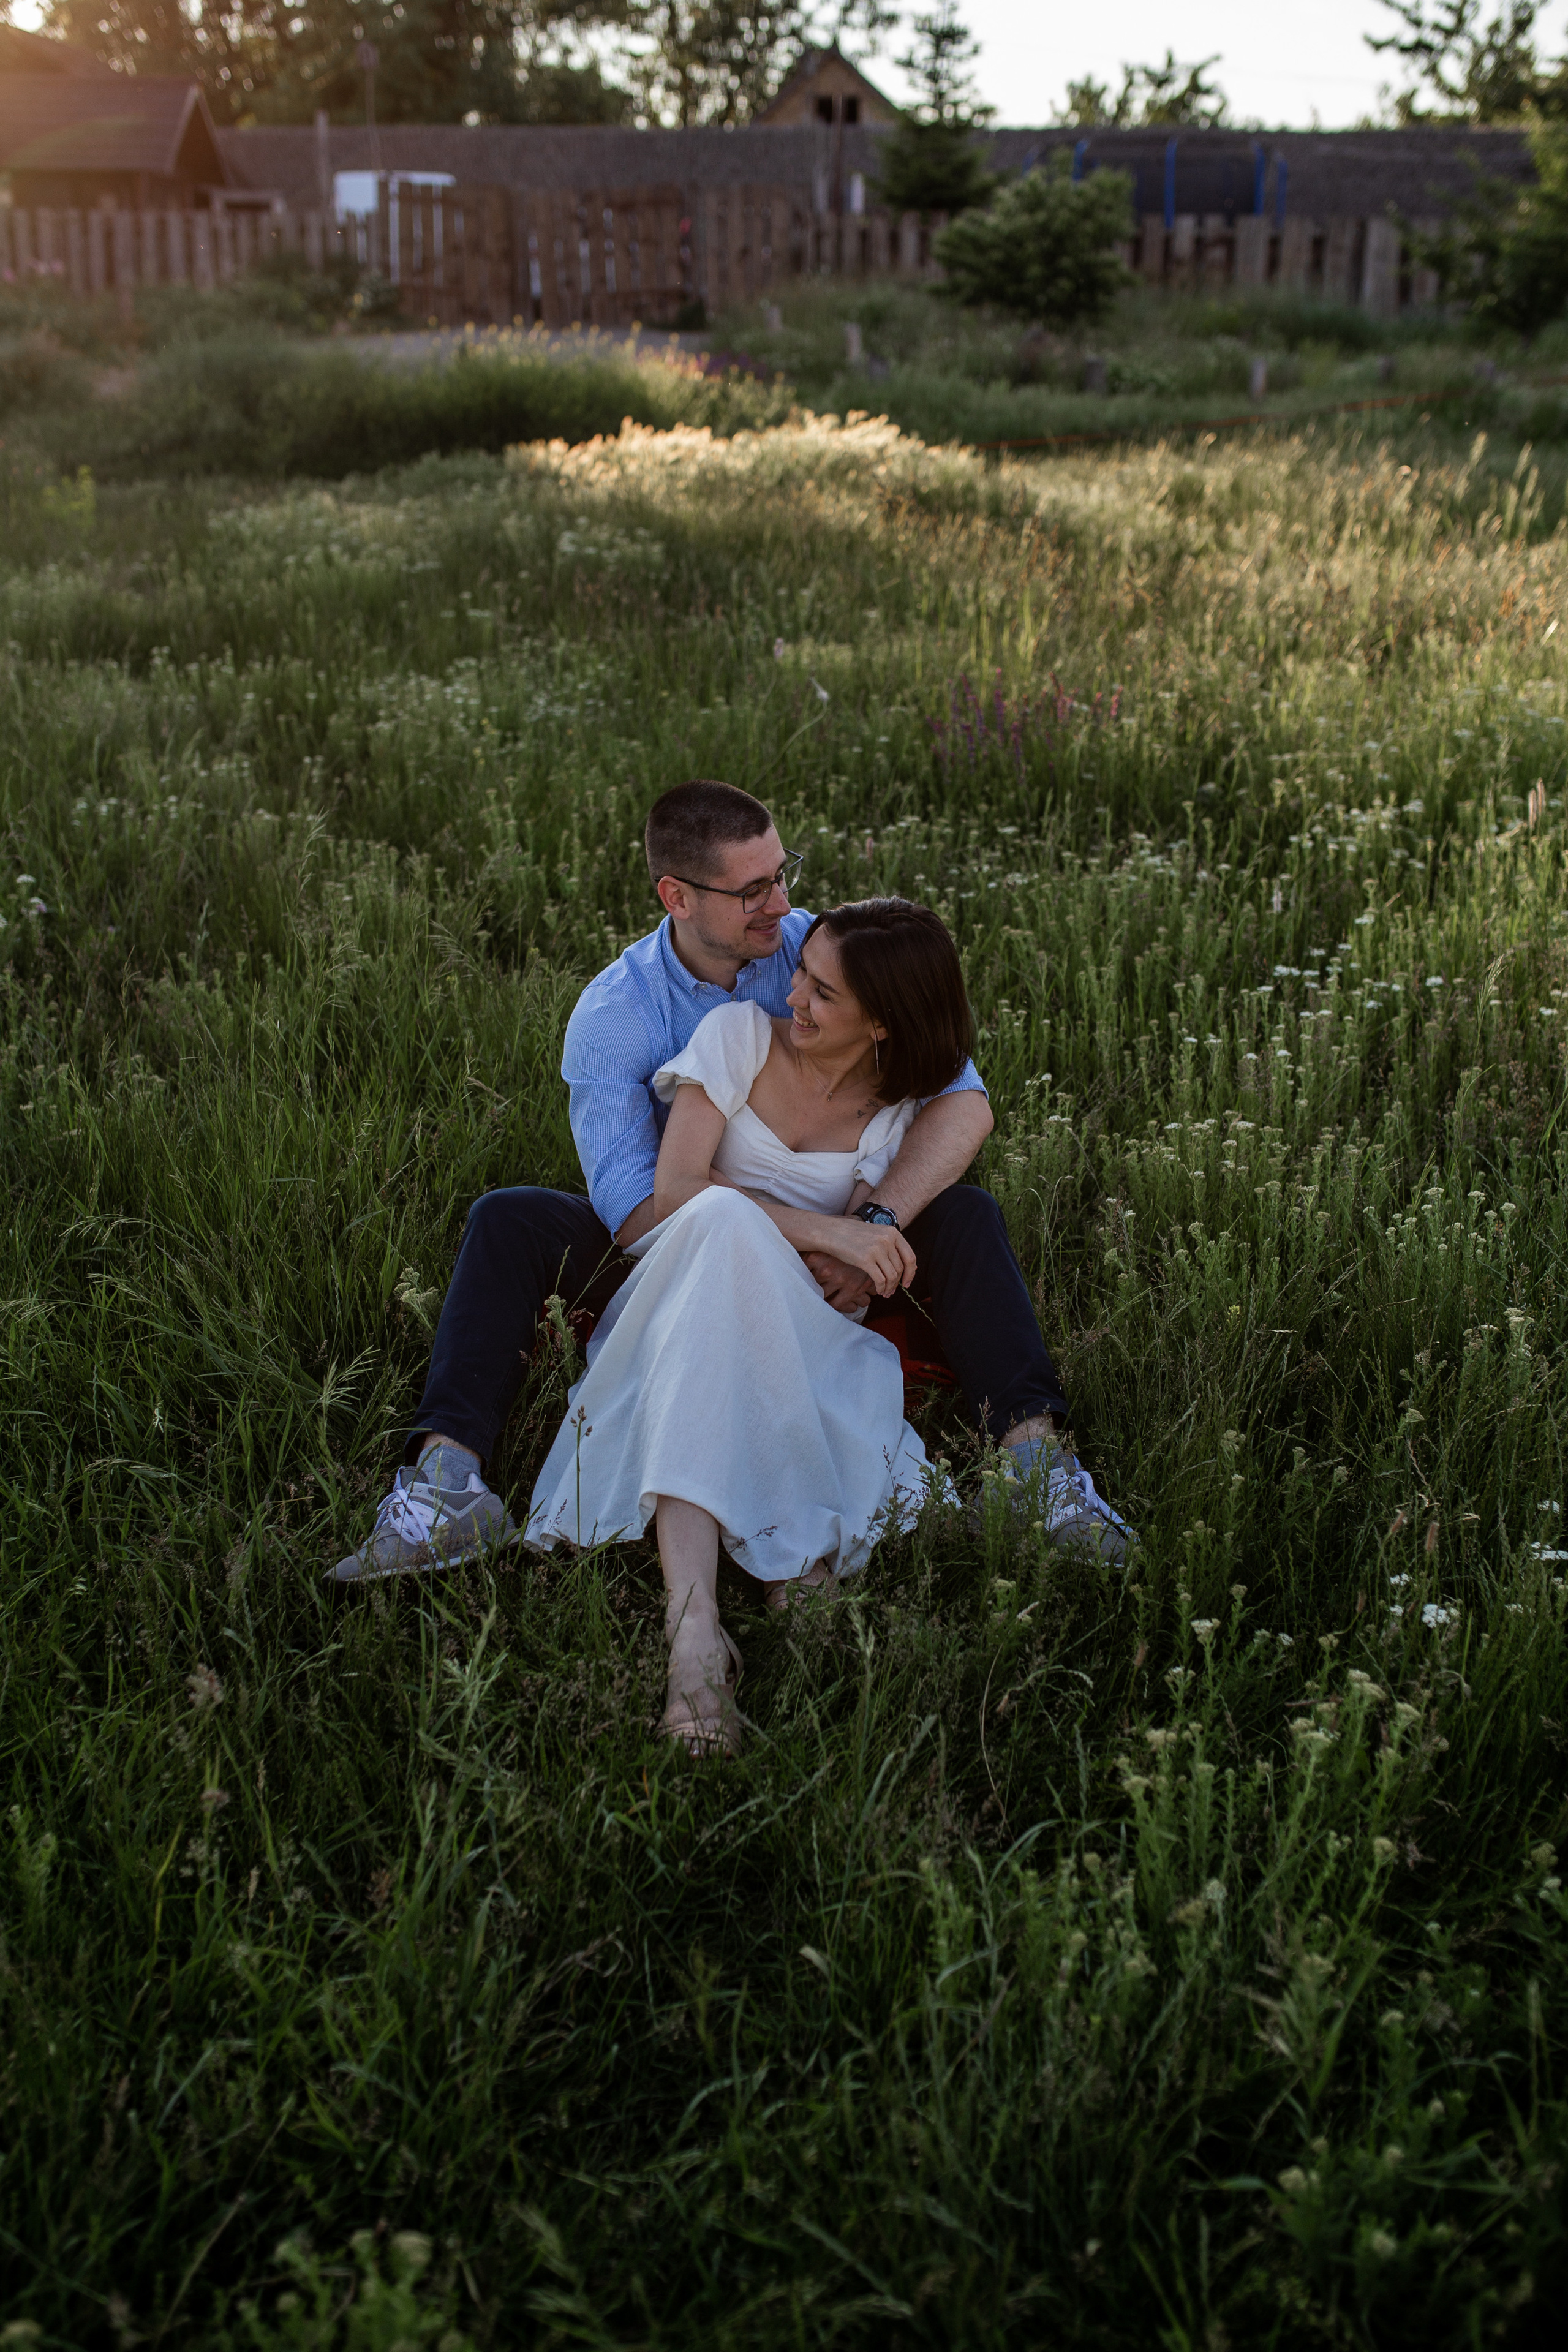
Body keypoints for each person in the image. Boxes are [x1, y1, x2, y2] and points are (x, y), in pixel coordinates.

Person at [330, 779, 1129, 1586]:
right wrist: (812, 1236)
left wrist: (872, 1225)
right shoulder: (616, 1015)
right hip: (685, 1247)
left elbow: (960, 1097)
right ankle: (446, 1484)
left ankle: (1037, 1474)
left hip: (845, 1243)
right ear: (677, 897)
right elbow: (642, 1211)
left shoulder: (817, 945)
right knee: (509, 1219)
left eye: (782, 874)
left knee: (966, 1215)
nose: (780, 904)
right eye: (753, 890)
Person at [527, 899, 981, 1752]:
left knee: (738, 1277)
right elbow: (679, 1192)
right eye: (801, 975)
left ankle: (735, 1598)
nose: (793, 997)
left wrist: (843, 1248)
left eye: (823, 993)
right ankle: (708, 1620)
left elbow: (839, 1282)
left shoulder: (897, 1114)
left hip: (796, 1323)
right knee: (722, 1227)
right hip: (683, 1289)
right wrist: (831, 1230)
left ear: (883, 1024)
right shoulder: (736, 1036)